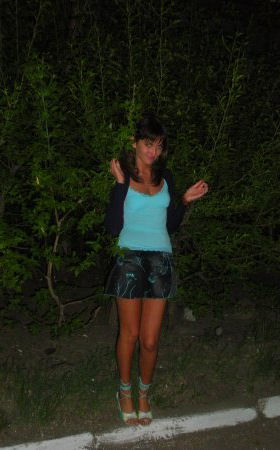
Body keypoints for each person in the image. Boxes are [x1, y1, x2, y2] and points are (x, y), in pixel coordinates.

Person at [103, 114, 208, 426]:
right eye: (149, 144)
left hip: (161, 259)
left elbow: (170, 225)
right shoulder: (123, 175)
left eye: (159, 146)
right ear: (135, 142)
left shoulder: (166, 177)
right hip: (129, 258)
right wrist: (120, 186)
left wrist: (184, 200)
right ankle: (124, 391)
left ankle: (144, 393)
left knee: (150, 340)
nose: (153, 151)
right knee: (130, 334)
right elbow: (113, 226)